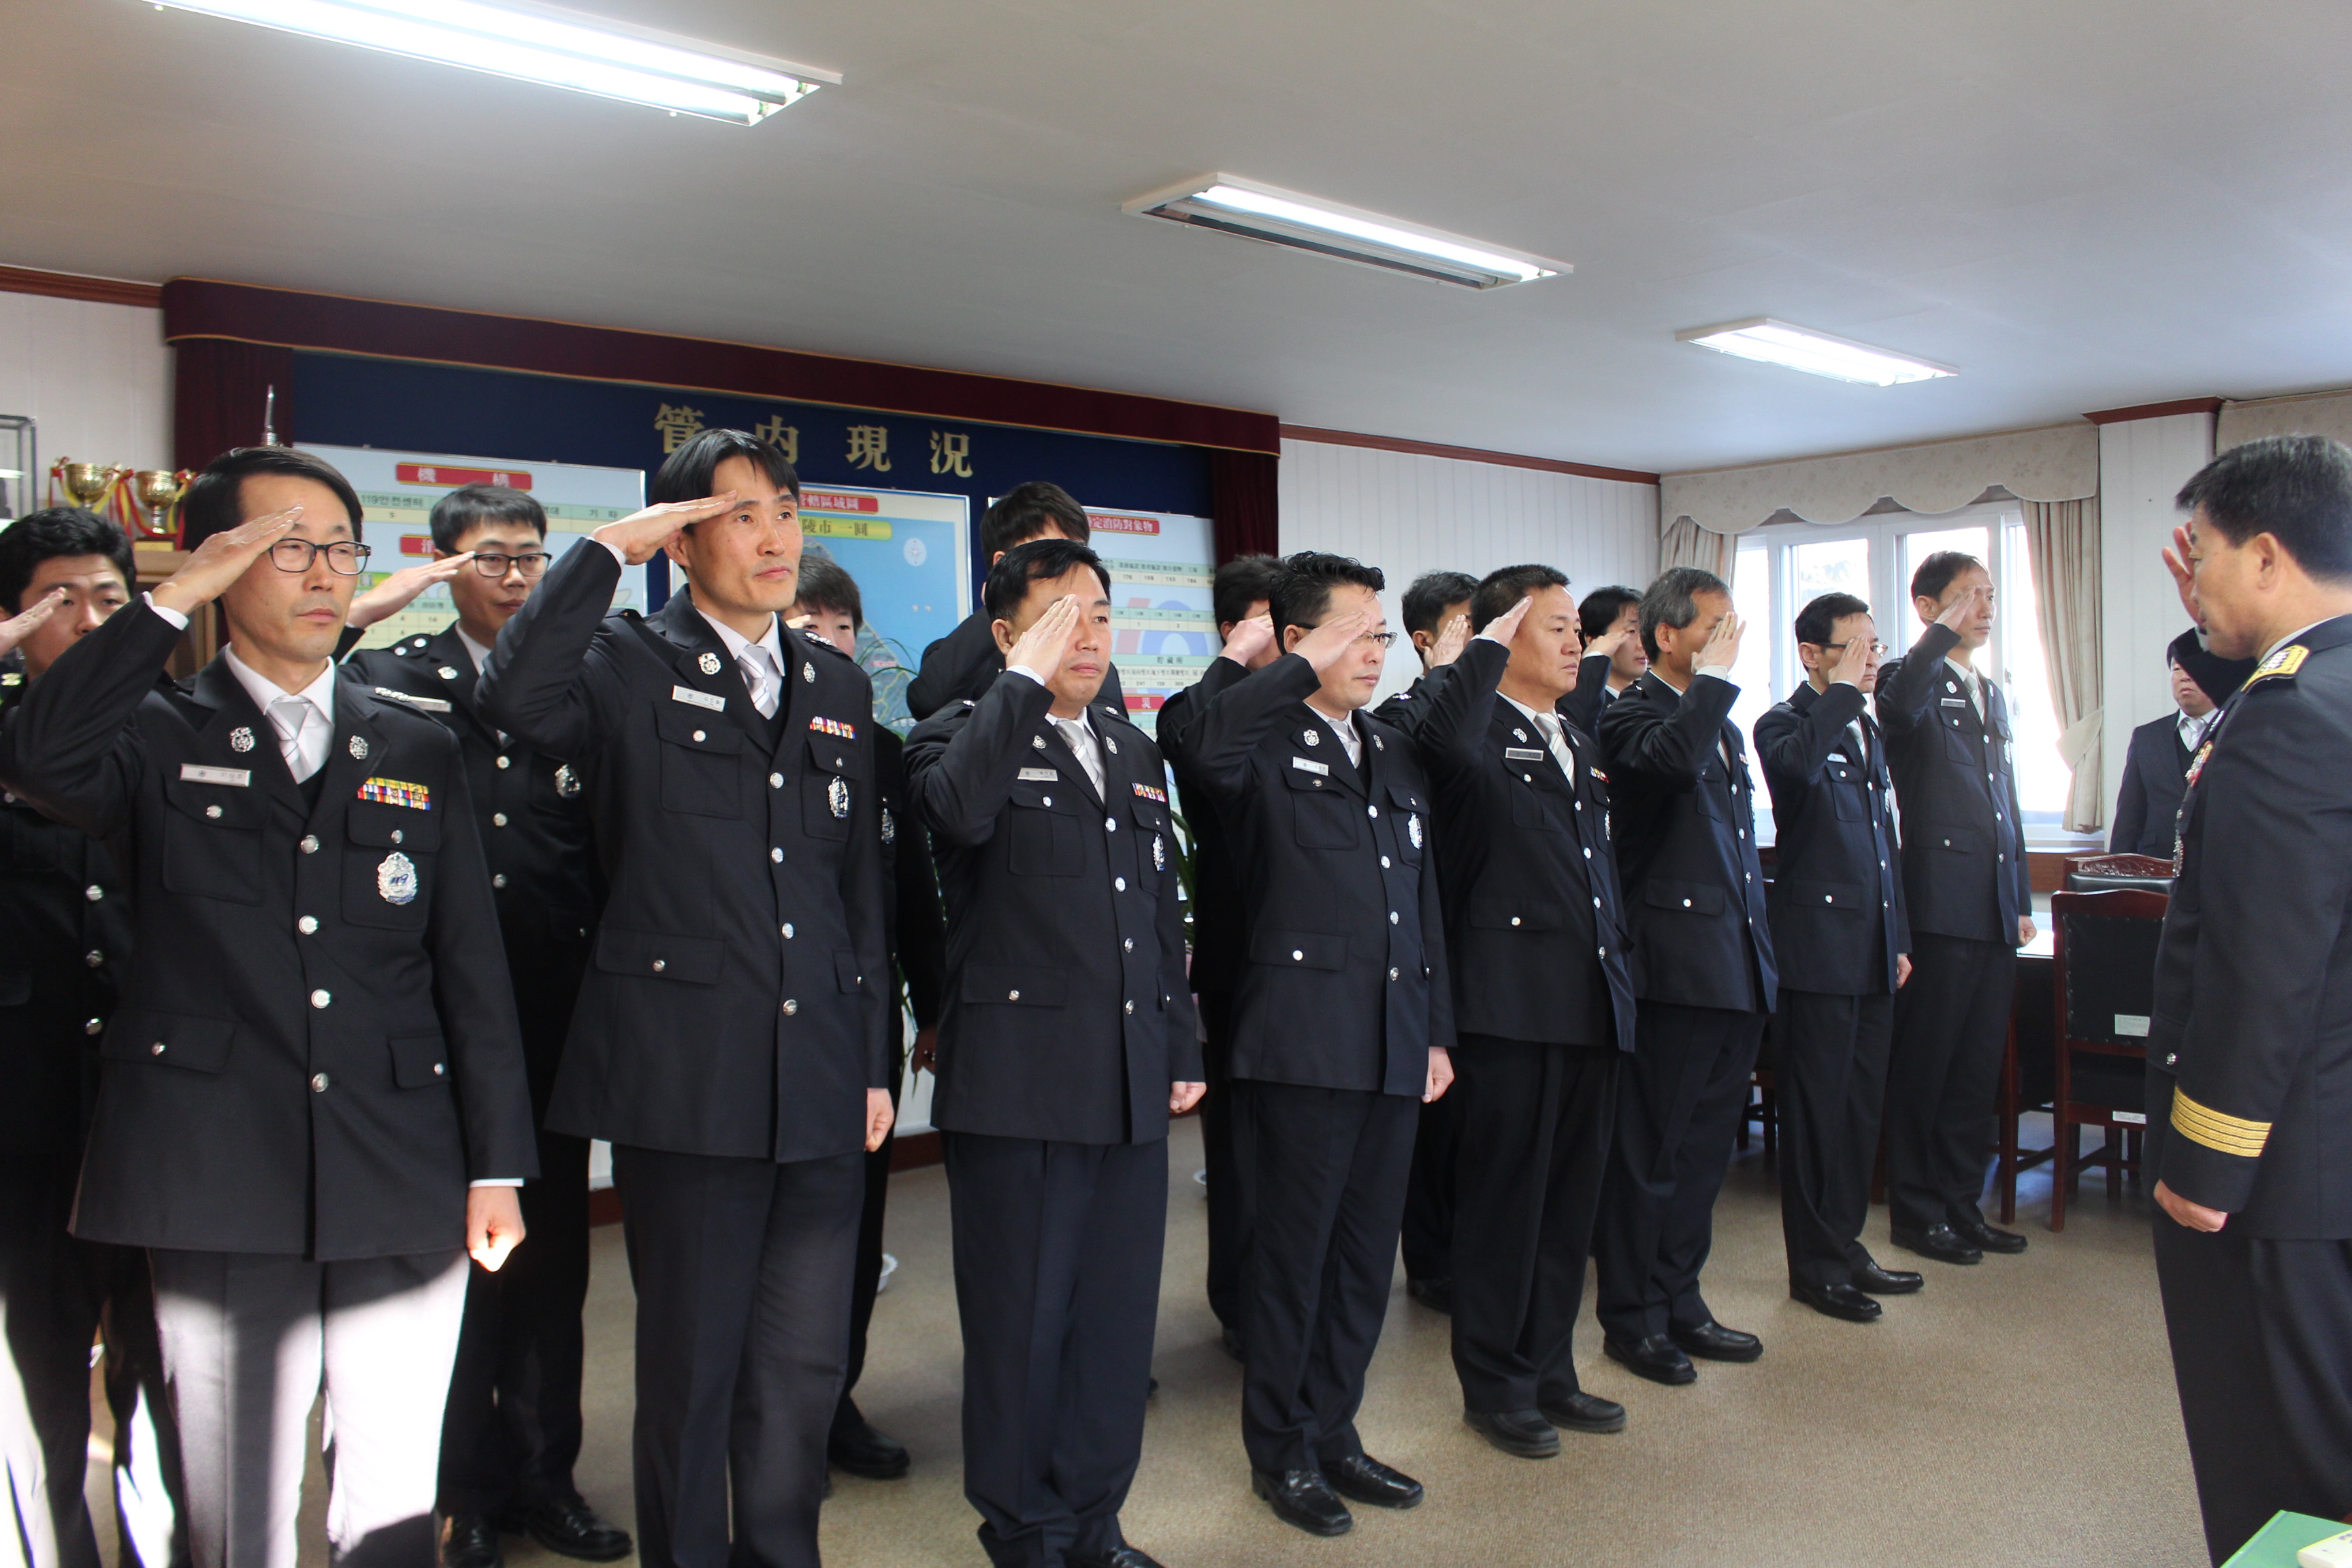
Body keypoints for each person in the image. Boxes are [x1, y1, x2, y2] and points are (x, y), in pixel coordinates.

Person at [0, 446, 538, 1568]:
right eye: (288, 547)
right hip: (215, 1168)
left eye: (340, 546)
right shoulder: (152, 729)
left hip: (400, 1157)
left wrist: (497, 1164)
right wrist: (166, 605)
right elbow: (41, 760)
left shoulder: (415, 741)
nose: (324, 571)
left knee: (392, 1501)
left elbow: (469, 971)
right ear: (217, 563)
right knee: (235, 1507)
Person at [476, 428, 893, 1568]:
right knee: (693, 1369)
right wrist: (603, 555)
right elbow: (513, 699)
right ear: (681, 539)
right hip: (687, 1079)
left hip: (819, 1074)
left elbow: (855, 891)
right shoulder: (623, 658)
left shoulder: (836, 682)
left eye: (785, 511)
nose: (773, 536)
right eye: (739, 514)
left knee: (801, 1369)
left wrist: (871, 1060)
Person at [336, 485, 623, 1568]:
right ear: (446, 564)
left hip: (551, 1009)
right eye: (492, 557)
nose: (515, 577)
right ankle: (462, 1493)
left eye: (532, 558)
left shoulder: (578, 681)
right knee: (452, 1275)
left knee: (552, 1267)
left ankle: (549, 1480)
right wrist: (357, 615)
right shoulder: (390, 675)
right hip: (431, 1018)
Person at [904, 538, 1202, 1568]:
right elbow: (955, 813)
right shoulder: (954, 735)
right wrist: (1021, 687)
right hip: (1019, 1090)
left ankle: (1095, 1522)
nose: (1089, 637)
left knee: (1115, 1325)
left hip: (1126, 1077)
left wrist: (1180, 1045)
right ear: (1005, 635)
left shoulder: (1130, 748)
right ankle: (1025, 1531)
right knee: (1022, 1326)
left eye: (1101, 616)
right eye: (1059, 619)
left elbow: (1160, 914)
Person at [1181, 552, 1454, 1539]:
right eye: (1353, 634)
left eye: (1380, 635)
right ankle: (1281, 1453)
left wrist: (1436, 1032)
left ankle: (1335, 1432)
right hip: (1299, 1048)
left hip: (1391, 1042)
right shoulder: (1256, 741)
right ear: (1297, 643)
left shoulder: (1390, 748)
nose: (1375, 651)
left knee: (1362, 1260)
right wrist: (1281, 666)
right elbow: (1198, 742)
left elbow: (1421, 905)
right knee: (1291, 1264)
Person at [2142, 434, 2352, 1563]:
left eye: (2210, 554)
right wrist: (2216, 628)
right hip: (2334, 1142)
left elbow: (2263, 966)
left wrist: (2205, 1165)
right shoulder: (2322, 691)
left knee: (2283, 1469)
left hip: (2280, 1176)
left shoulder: (2291, 715)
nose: (2199, 576)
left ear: (2266, 555)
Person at [1409, 566, 1635, 1459]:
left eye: (1579, 627)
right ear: (1505, 636)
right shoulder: (1472, 730)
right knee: (1506, 1207)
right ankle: (1496, 1386)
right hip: (1508, 1009)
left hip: (1589, 1001)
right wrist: (1480, 651)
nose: (1578, 643)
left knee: (1568, 1207)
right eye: (1557, 627)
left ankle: (1550, 1369)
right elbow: (1436, 742)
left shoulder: (1573, 732)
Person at [0, 509, 185, 1568]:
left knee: (171, 1386)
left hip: (163, 1119)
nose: (87, 621)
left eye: (110, 600)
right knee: (36, 1395)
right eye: (57, 602)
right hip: (27, 1130)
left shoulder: (187, 736)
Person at [1592, 566, 1776, 1386]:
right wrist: (1718, 685)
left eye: (1732, 625)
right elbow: (1667, 767)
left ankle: (1681, 1298)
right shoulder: (1630, 714)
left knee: (1702, 1157)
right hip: (1671, 972)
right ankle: (1632, 1318)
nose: (1728, 640)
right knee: (1652, 1156)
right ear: (1666, 636)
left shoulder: (1718, 722)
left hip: (1733, 968)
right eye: (1714, 626)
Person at [788, 553, 947, 1486]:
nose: (829, 643)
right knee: (782, 1245)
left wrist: (933, 1008)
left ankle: (835, 1400)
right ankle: (773, 1419)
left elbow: (911, 894)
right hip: (772, 1038)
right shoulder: (750, 743)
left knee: (854, 1233)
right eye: (807, 629)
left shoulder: (883, 753)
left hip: (865, 1038)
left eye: (842, 628)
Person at [1752, 593, 1923, 1324]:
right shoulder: (1784, 724)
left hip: (1874, 948)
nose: (1871, 660)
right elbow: (1794, 773)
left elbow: (1885, 845)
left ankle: (1846, 1245)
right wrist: (1845, 693)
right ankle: (1814, 1268)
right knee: (1817, 1114)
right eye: (1855, 647)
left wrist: (1901, 936)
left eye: (1875, 646)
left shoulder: (1865, 728)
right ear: (1812, 655)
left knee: (1858, 1112)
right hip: (1818, 953)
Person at [1874, 552, 2034, 1266]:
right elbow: (1898, 710)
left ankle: (1963, 1203)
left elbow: (2006, 805)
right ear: (1929, 607)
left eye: (1991, 595)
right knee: (1928, 1064)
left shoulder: (1990, 692)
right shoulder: (1906, 677)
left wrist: (2019, 897)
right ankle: (1916, 1211)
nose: (1985, 608)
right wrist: (1939, 638)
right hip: (1940, 903)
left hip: (1993, 907)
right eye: (1970, 595)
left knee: (1974, 1069)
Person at [1154, 552, 1285, 1358]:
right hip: (1241, 963)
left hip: (1315, 969)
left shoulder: (1307, 707)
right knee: (1242, 1151)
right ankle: (1241, 1305)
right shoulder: (1193, 710)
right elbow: (1196, 748)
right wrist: (1237, 658)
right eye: (1275, 622)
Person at [1370, 570, 1476, 1316]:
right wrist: (1447, 676)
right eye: (1467, 627)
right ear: (1423, 639)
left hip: (1484, 932)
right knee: (1435, 1119)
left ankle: (1475, 1248)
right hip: (1427, 934)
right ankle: (1433, 1261)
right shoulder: (1398, 715)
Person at [906, 482, 1126, 721]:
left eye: (1077, 552)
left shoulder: (1092, 661)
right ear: (1002, 563)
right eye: (1051, 555)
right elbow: (928, 703)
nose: (1070, 567)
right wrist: (1001, 601)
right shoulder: (964, 658)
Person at [2109, 652, 2218, 859]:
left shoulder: (2236, 732)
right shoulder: (2147, 737)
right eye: (2177, 669)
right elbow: (2130, 814)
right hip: (2157, 860)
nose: (2184, 677)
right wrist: (2118, 867)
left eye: (2193, 668)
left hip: (2217, 859)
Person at [1371, 570, 1477, 741]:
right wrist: (1441, 671)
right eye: (1467, 626)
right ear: (1424, 641)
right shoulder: (1397, 711)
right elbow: (1402, 747)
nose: (1482, 637)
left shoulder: (1494, 704)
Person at [1577, 586, 1648, 703]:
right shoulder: (1581, 702)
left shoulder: (1650, 699)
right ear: (1593, 640)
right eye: (1631, 631)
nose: (1643, 645)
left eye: (1645, 632)